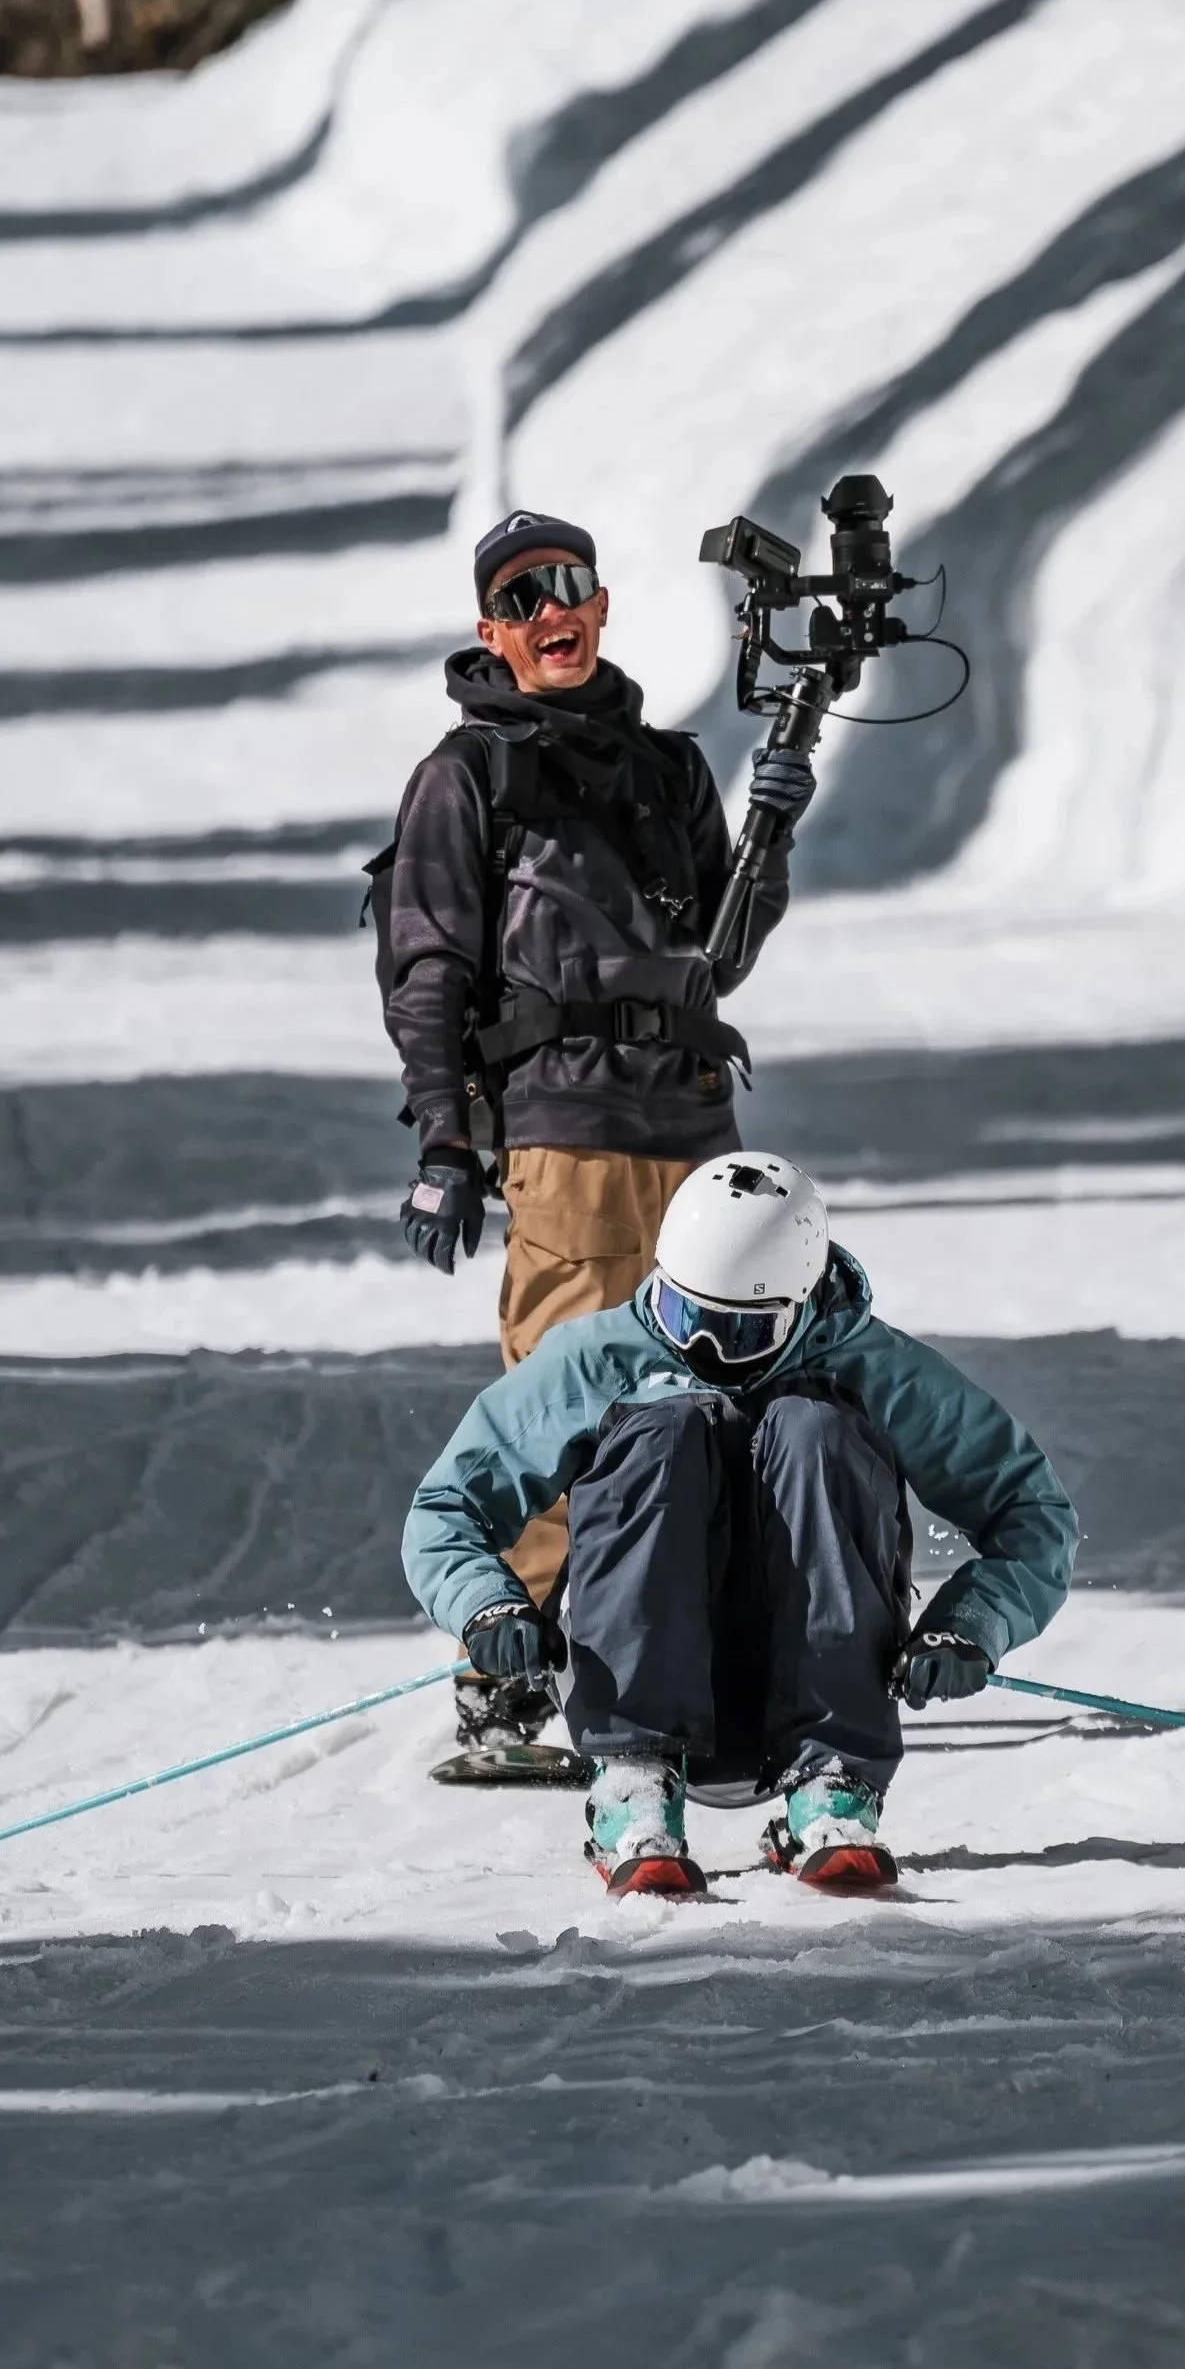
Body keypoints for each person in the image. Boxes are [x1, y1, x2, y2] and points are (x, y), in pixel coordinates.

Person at [376, 510, 817, 1768]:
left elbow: (721, 953)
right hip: (563, 1133)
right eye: (520, 599)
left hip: (692, 1122)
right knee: (565, 1403)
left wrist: (772, 825)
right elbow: (424, 972)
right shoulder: (465, 778)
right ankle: (504, 1683)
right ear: (490, 632)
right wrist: (446, 1144)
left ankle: (722, 1662)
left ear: (602, 603)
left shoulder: (668, 769)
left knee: (733, 1394)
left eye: (564, 587)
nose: (546, 611)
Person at [402, 1153, 1082, 1892]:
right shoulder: (598, 1359)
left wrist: (971, 1626)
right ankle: (633, 1786)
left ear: (801, 1301)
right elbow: (448, 1508)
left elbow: (1031, 1512)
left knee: (812, 1427)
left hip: (820, 1671)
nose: (702, 1350)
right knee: (660, 1430)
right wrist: (487, 1604)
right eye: (684, 1315)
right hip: (632, 1671)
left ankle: (832, 1786)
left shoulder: (870, 1365)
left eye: (738, 1332)